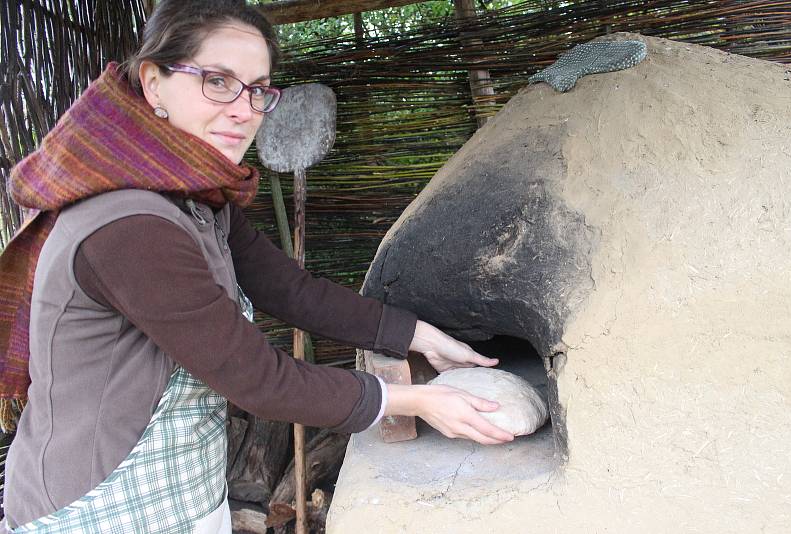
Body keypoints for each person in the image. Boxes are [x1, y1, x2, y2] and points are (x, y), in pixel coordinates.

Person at [0, 0, 513, 531]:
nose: (244, 110)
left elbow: (290, 290)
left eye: (257, 89)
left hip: (183, 489)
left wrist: (419, 335)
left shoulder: (198, 200)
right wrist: (415, 400)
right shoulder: (128, 225)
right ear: (154, 84)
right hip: (94, 504)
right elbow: (255, 379)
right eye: (217, 81)